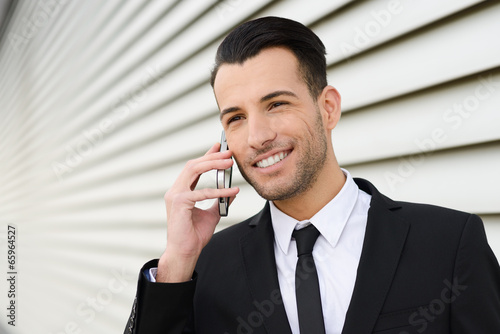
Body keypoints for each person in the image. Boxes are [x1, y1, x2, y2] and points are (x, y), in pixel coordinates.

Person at [124, 16, 500, 334]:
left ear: (328, 108)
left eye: (277, 104)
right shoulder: (204, 267)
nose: (257, 138)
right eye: (236, 118)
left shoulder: (448, 243)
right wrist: (177, 263)